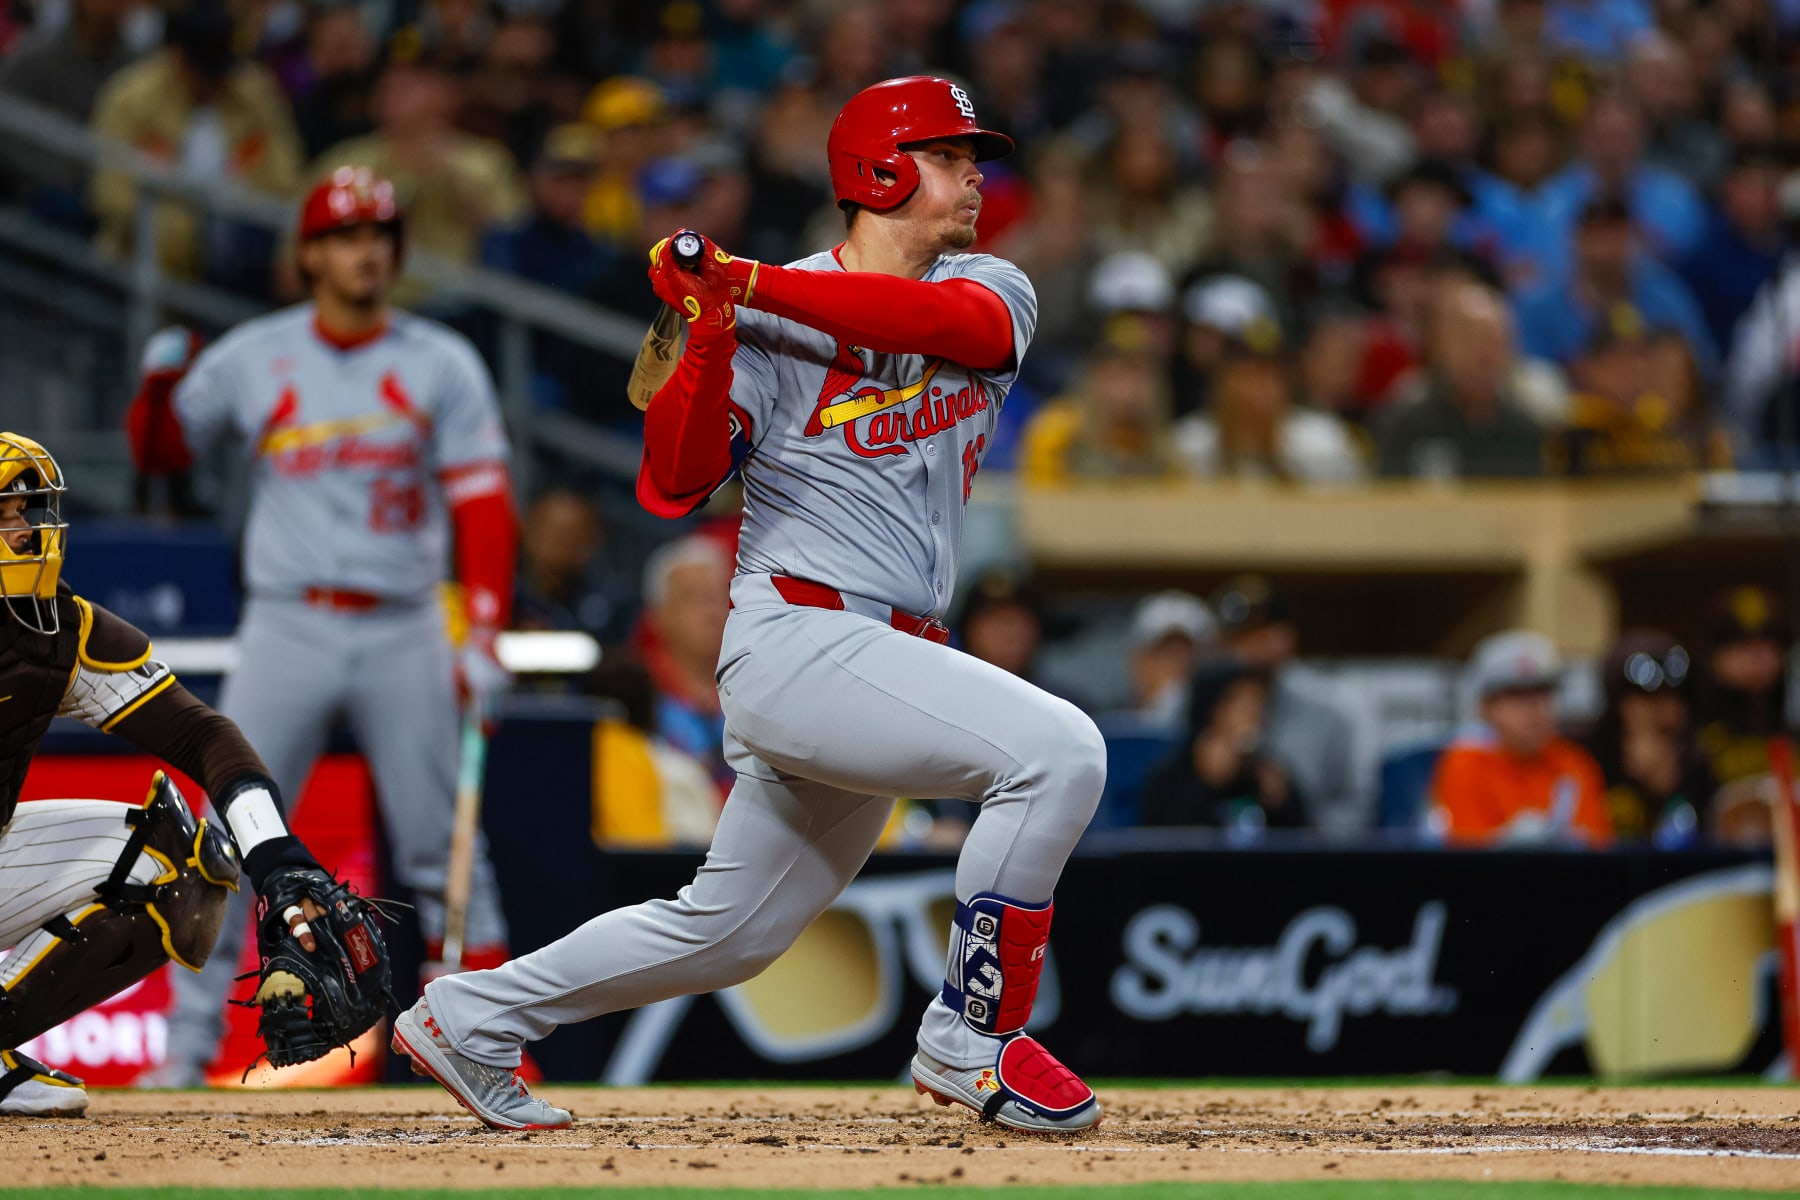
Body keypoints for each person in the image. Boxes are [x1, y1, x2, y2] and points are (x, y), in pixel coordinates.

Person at [390, 76, 1105, 1135]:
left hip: (888, 654)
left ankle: (467, 1017)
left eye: (971, 157)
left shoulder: (992, 285)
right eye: (950, 156)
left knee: (731, 932)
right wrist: (712, 328)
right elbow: (672, 483)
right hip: (800, 635)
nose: (973, 177)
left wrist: (745, 282)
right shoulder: (768, 313)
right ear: (881, 170)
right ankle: (971, 1037)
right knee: (1062, 753)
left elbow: (929, 321)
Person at [125, 167, 516, 1085]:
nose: (365, 250)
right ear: (308, 253)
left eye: (379, 233)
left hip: (405, 624)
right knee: (230, 838)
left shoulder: (440, 361)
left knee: (447, 847)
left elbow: (485, 504)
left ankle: (479, 1047)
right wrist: (155, 389)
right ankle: (180, 1058)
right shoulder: (257, 355)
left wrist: (486, 627)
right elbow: (161, 451)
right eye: (344, 235)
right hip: (288, 622)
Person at [0, 433, 357, 1116]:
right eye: (6, 515)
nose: (26, 533)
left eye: (27, 512)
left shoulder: (52, 631)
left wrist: (276, 859)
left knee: (179, 865)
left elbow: (202, 734)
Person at [88, 0, 302, 282]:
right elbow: (110, 194)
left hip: (236, 252)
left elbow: (286, 177)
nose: (210, 82)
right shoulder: (132, 98)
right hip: (142, 259)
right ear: (177, 55)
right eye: (201, 69)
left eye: (220, 69)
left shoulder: (255, 93)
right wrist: (184, 231)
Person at [1210, 574, 1369, 837]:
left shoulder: (1327, 710)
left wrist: (1295, 807)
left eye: (1258, 635)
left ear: (1285, 636)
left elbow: (1357, 815)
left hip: (1305, 863)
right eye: (1236, 639)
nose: (1246, 650)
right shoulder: (1201, 707)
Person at [1431, 630, 1612, 847]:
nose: (1535, 710)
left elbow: (1599, 849)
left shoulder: (1573, 762)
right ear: (1486, 708)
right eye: (1517, 695)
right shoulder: (1465, 763)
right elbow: (1467, 859)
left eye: (1542, 693)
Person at [1376, 281, 1545, 479]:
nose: (1484, 353)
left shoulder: (1525, 431)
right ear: (1440, 345)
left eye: (1494, 340)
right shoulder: (1404, 425)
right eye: (1470, 339)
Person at [1580, 631, 1714, 845]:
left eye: (1675, 699)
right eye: (1651, 700)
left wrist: (1666, 789)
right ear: (1621, 705)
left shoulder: (1698, 761)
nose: (1667, 713)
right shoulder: (1588, 756)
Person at [1142, 661, 1306, 834]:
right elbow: (1157, 844)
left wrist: (1281, 803)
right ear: (1210, 708)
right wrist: (1206, 784)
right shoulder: (1170, 778)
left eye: (1258, 701)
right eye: (1240, 702)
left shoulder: (1269, 774)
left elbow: (1306, 843)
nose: (1254, 712)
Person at [630, 534, 734, 794]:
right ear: (658, 615)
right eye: (693, 598)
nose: (710, 613)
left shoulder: (759, 688)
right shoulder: (638, 696)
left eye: (716, 597)